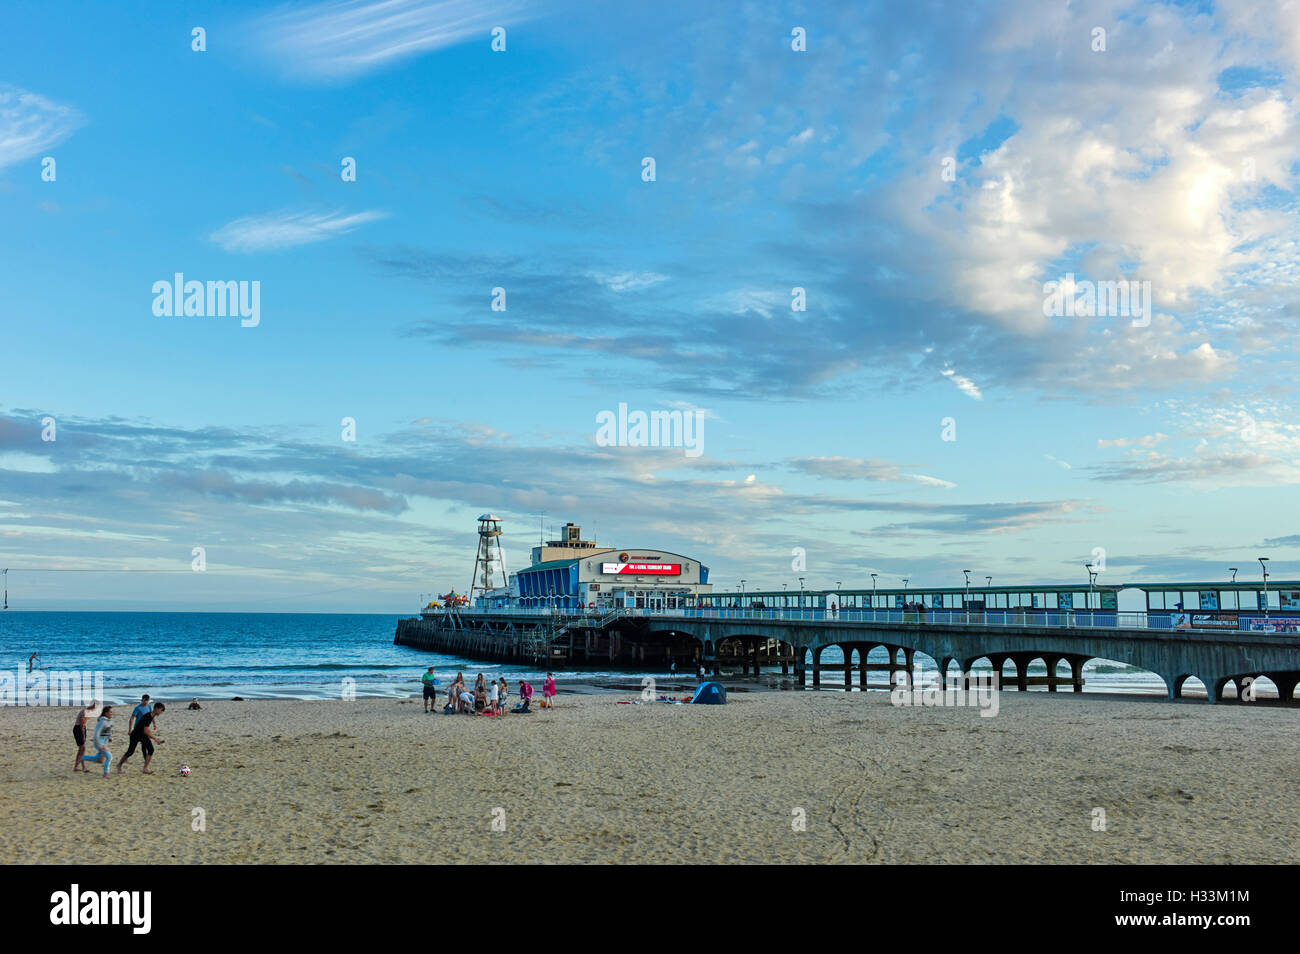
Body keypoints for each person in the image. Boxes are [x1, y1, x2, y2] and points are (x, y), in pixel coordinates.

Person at [118, 702, 165, 774]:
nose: (161, 712)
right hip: (135, 735)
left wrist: (154, 737)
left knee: (151, 750)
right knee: (130, 752)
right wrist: (155, 738)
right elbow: (146, 730)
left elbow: (146, 730)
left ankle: (145, 769)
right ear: (156, 709)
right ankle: (119, 765)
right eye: (161, 710)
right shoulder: (147, 716)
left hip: (143, 735)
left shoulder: (152, 716)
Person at [82, 706, 114, 777]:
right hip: (98, 742)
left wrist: (109, 737)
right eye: (111, 712)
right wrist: (101, 745)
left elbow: (109, 730)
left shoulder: (110, 720)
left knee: (97, 758)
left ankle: (82, 758)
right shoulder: (102, 722)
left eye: (112, 712)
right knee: (109, 757)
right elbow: (96, 735)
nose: (112, 713)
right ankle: (105, 773)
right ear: (106, 713)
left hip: (105, 742)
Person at [73, 699, 99, 772]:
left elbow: (83, 725)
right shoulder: (85, 712)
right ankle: (83, 767)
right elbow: (81, 724)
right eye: (96, 706)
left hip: (82, 728)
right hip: (78, 729)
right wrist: (83, 735)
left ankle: (76, 766)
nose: (97, 708)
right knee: (83, 748)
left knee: (81, 748)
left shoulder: (88, 711)